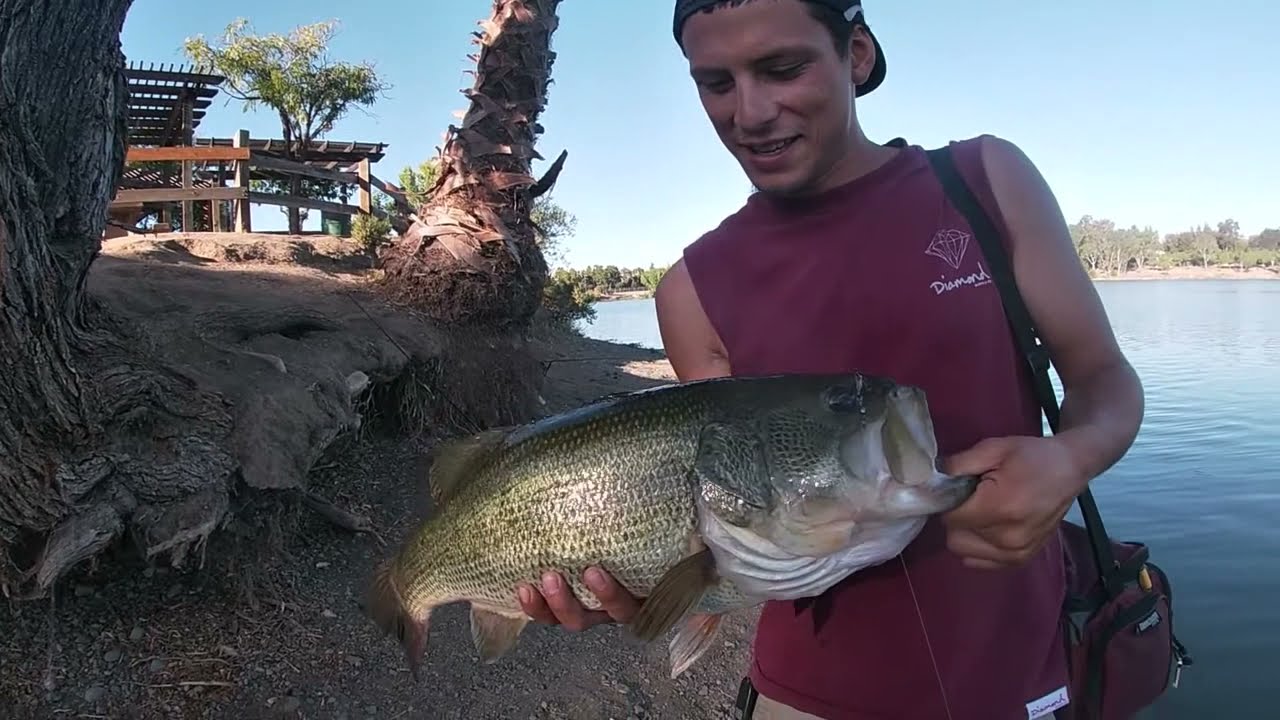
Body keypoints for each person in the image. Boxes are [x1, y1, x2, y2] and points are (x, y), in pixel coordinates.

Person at [517, 1, 1146, 718]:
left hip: (1027, 679)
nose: (749, 113)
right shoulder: (691, 290)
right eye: (715, 83)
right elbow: (726, 512)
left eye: (782, 69)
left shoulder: (984, 183)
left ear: (857, 54)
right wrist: (646, 584)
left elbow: (1104, 380)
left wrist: (1074, 456)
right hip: (805, 697)